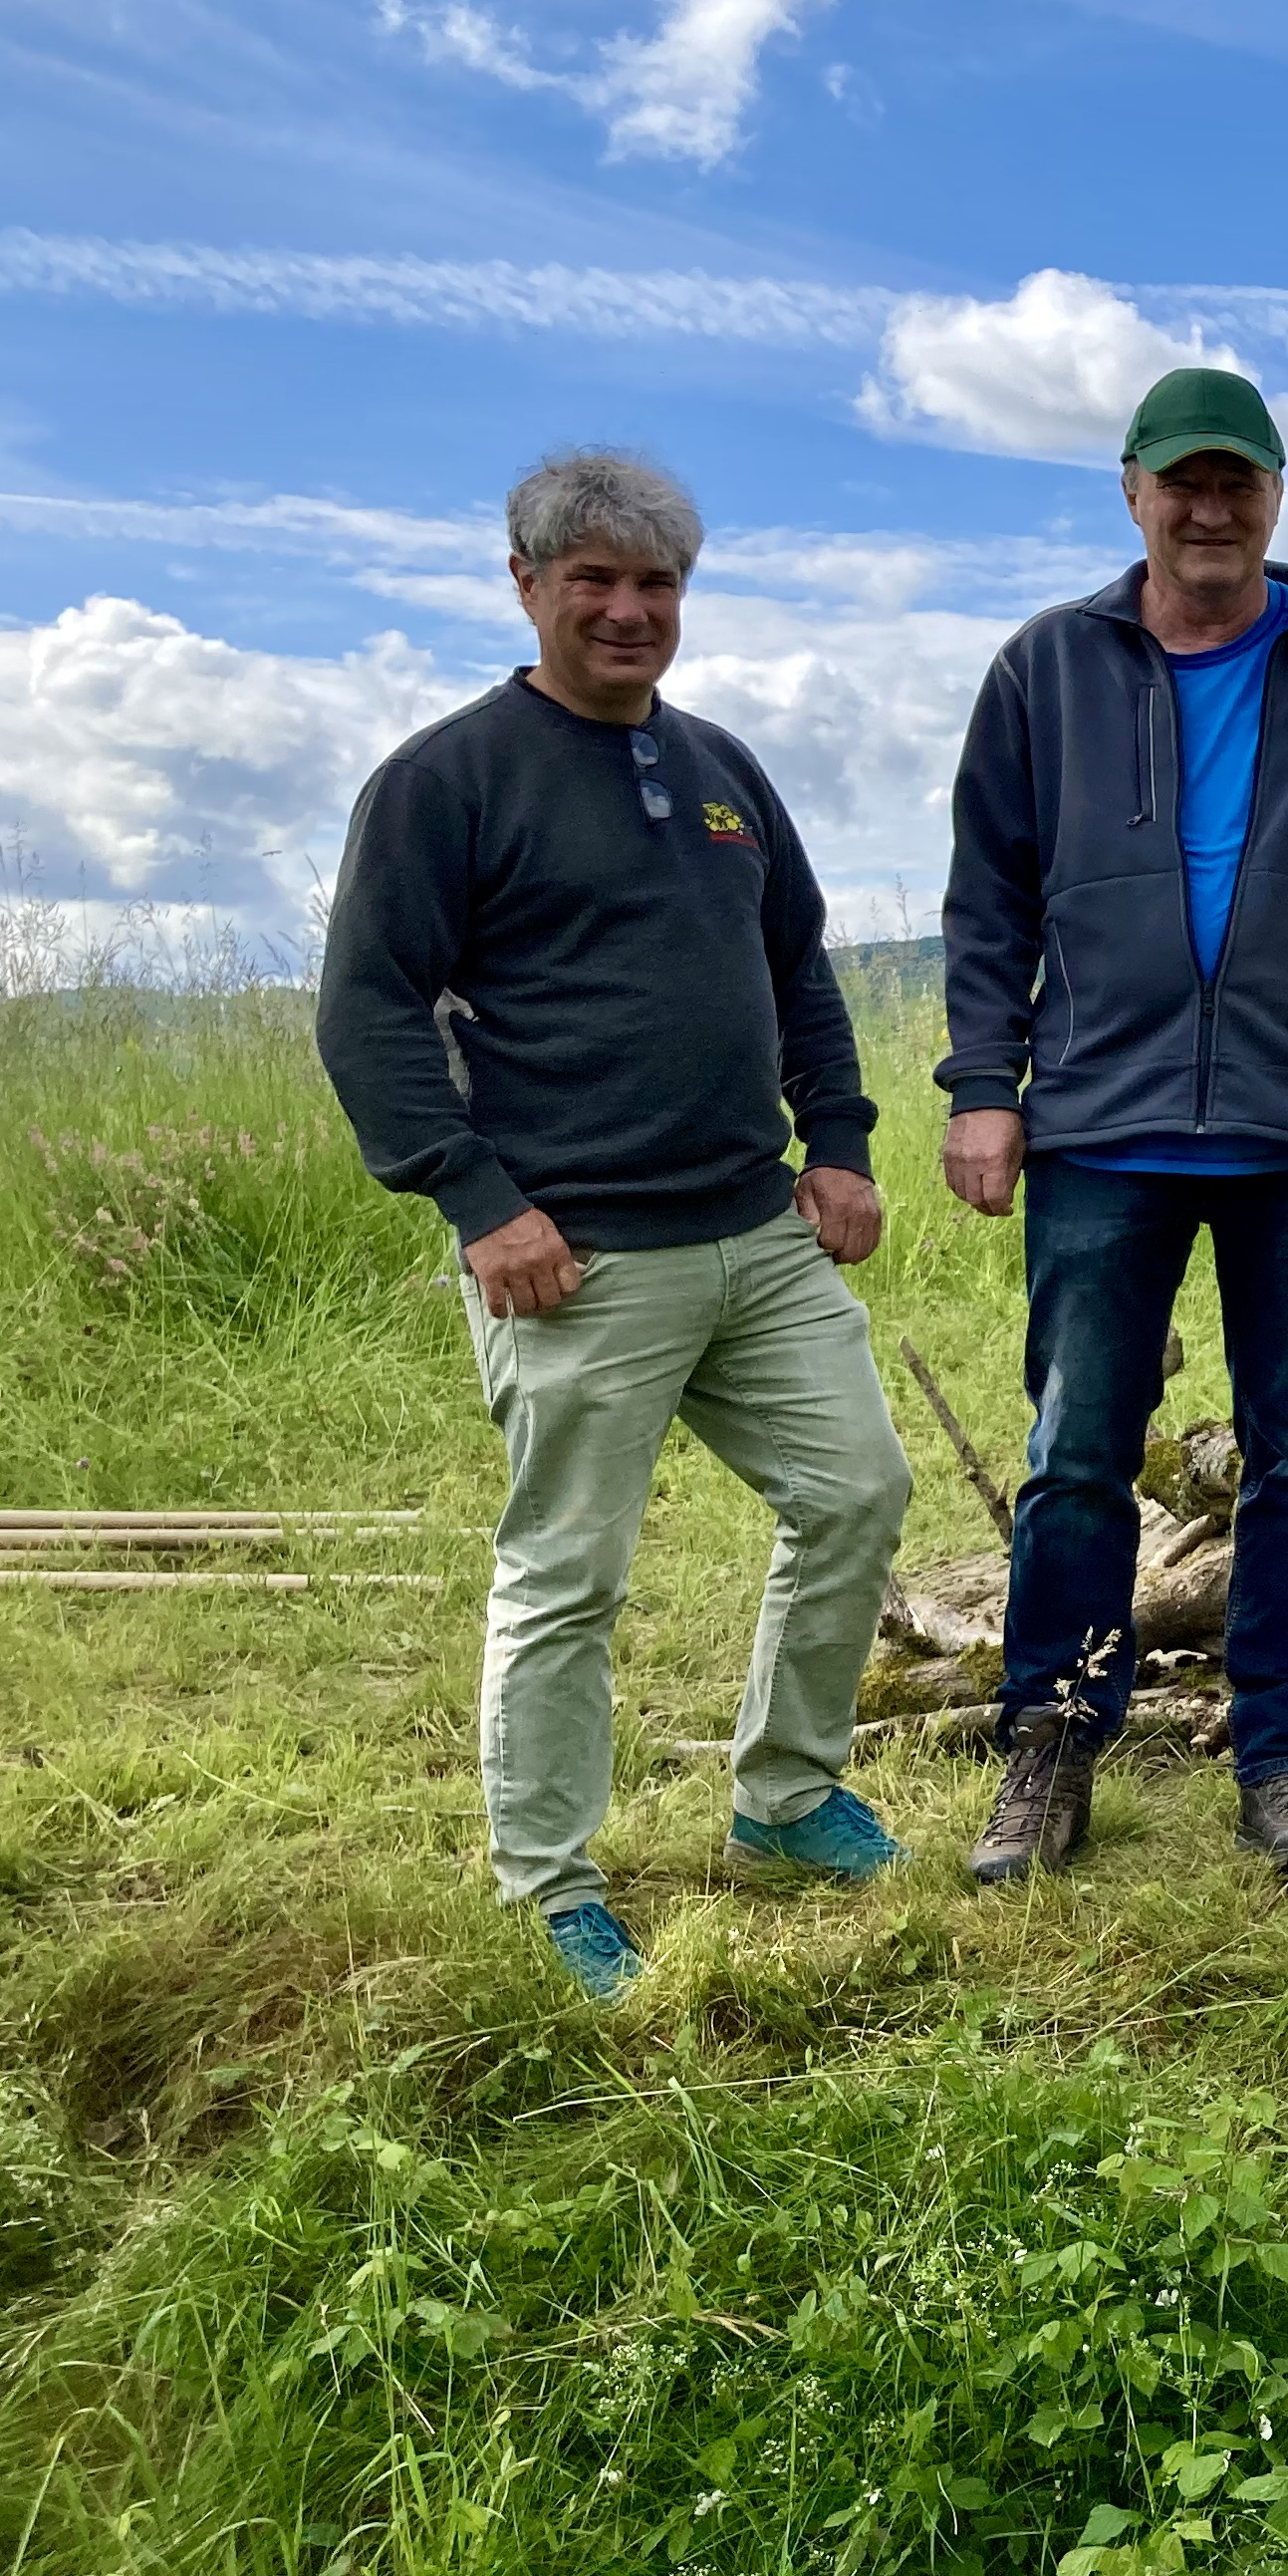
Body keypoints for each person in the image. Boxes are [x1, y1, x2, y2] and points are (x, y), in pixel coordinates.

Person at [318, 449, 910, 2002]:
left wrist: (837, 1143)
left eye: (657, 586)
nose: (630, 611)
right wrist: (477, 1200)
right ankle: (550, 1885)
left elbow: (797, 970)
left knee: (855, 1491)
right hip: (574, 1259)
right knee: (569, 1573)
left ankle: (784, 1800)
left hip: (756, 1232)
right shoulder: (447, 781)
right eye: (595, 582)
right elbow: (368, 1006)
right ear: (527, 587)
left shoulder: (720, 768)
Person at [937, 367, 1288, 1888]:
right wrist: (981, 1085)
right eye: (1183, 482)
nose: (1209, 509)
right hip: (1101, 1123)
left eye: (1238, 483)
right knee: (1078, 1451)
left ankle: (1285, 1749)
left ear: (1277, 496)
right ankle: (1054, 1740)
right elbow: (986, 897)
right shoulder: (1047, 668)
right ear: (1132, 490)